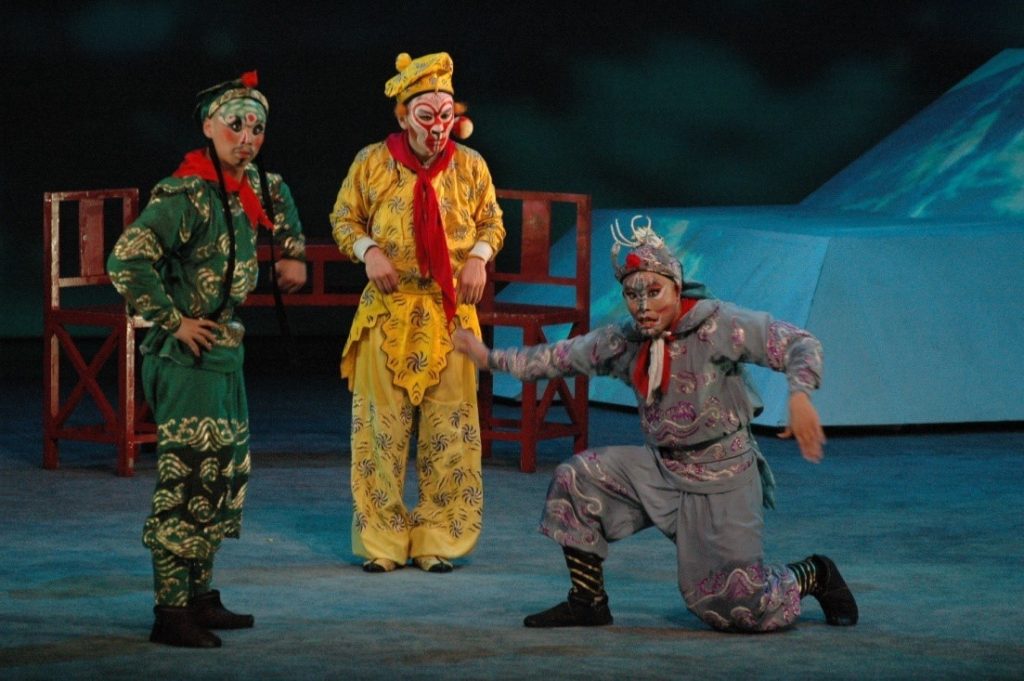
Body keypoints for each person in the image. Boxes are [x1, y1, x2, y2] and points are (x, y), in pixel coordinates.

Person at [453, 216, 858, 632]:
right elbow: (560, 356)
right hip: (661, 470)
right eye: (632, 295)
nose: (643, 306)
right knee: (576, 479)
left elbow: (800, 343)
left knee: (738, 608)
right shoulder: (626, 341)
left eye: (653, 292)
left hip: (723, 477)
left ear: (676, 288)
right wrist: (489, 358)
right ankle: (588, 601)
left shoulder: (719, 325)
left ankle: (816, 573)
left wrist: (799, 395)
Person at [107, 70, 307, 647]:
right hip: (185, 357)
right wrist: (172, 319)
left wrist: (292, 252)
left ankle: (200, 596)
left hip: (225, 352)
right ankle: (171, 610)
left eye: (257, 128)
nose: (247, 137)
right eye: (235, 124)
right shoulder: (185, 194)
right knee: (189, 476)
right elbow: (125, 261)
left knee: (222, 473)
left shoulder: (257, 184)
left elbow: (282, 199)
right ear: (209, 127)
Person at [330, 52, 505, 574]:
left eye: (446, 115)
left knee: (450, 430)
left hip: (450, 313)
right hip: (389, 311)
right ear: (403, 115)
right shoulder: (372, 162)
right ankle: (383, 541)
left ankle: (438, 538)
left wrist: (478, 258)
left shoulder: (470, 166)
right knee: (379, 431)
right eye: (426, 115)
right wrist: (368, 251)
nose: (437, 127)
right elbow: (343, 217)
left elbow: (492, 222)